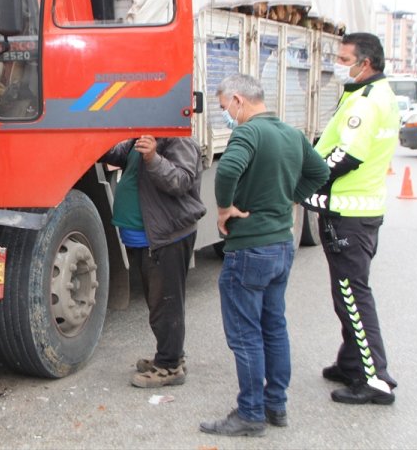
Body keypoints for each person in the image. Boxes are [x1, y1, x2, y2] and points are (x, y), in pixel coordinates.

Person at [200, 74, 329, 437]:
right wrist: (290, 196)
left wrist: (224, 209)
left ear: (239, 100)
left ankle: (250, 414)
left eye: (225, 107)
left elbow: (226, 169)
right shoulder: (291, 134)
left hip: (250, 249)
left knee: (245, 334)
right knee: (274, 327)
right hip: (280, 245)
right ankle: (276, 405)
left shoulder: (248, 133)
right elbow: (320, 172)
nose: (226, 114)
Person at [303, 32, 400, 405]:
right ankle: (350, 362)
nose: (338, 64)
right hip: (361, 210)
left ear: (367, 63)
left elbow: (346, 156)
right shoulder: (378, 95)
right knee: (346, 293)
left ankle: (375, 378)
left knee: (352, 296)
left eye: (345, 59)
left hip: (349, 213)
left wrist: (310, 179)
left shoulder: (366, 104)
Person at [102, 135, 206, 387]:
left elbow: (180, 181)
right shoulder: (141, 137)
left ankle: (170, 367)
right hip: (145, 238)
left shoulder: (179, 141)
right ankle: (170, 355)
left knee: (166, 303)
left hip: (166, 238)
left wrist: (153, 157)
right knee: (157, 302)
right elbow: (114, 154)